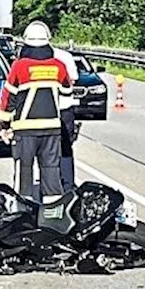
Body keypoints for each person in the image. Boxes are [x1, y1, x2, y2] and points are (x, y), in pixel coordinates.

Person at [0, 21, 72, 203]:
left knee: (24, 172)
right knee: (51, 172)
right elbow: (67, 94)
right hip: (52, 130)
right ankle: (53, 216)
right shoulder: (59, 66)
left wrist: (5, 125)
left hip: (25, 130)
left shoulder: (19, 66)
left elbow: (8, 98)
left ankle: (22, 213)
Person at [51, 43, 81, 191]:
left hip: (40, 110)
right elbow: (72, 81)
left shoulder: (27, 57)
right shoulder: (64, 57)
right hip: (64, 107)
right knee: (66, 147)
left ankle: (51, 182)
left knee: (44, 148)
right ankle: (68, 184)